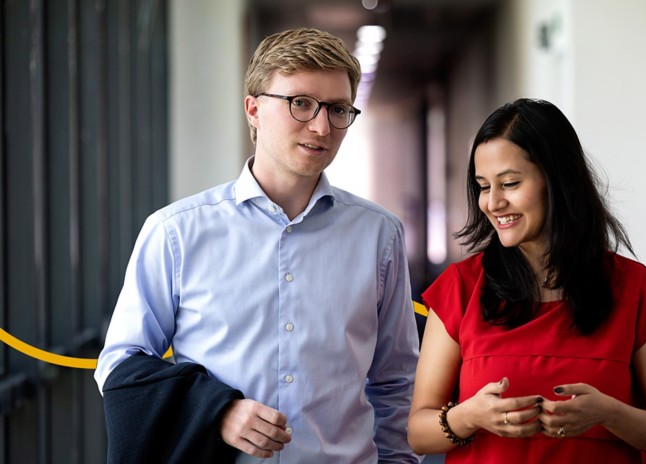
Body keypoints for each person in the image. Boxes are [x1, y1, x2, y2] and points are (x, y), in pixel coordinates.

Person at [95, 28, 421, 463]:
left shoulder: (380, 235)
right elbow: (120, 364)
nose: (321, 126)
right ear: (253, 109)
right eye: (300, 103)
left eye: (338, 109)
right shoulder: (176, 232)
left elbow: (396, 381)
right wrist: (217, 411)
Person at [407, 98, 646, 462]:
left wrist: (609, 413)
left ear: (557, 180)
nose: (493, 203)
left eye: (509, 183)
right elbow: (418, 433)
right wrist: (469, 416)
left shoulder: (636, 289)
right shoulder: (460, 288)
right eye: (482, 186)